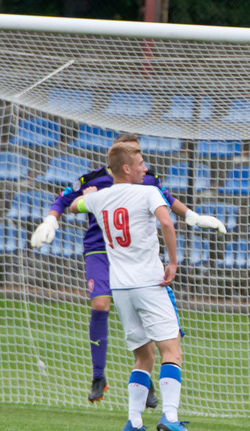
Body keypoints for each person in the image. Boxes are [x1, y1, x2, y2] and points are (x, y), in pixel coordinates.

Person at [30, 134, 227, 404]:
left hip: (133, 257)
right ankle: (98, 376)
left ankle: (146, 383)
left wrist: (194, 217)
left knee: (142, 314)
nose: (142, 164)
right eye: (135, 156)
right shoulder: (93, 179)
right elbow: (65, 201)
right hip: (100, 250)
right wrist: (50, 221)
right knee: (100, 304)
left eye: (140, 156)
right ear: (122, 161)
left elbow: (168, 200)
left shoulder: (147, 181)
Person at [71, 142, 199, 431]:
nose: (145, 168)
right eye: (140, 163)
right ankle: (170, 417)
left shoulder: (99, 198)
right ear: (127, 168)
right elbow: (166, 221)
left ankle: (134, 421)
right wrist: (173, 263)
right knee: (172, 350)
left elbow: (74, 206)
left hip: (121, 288)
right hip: (149, 283)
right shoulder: (147, 192)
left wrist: (85, 195)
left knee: (144, 356)